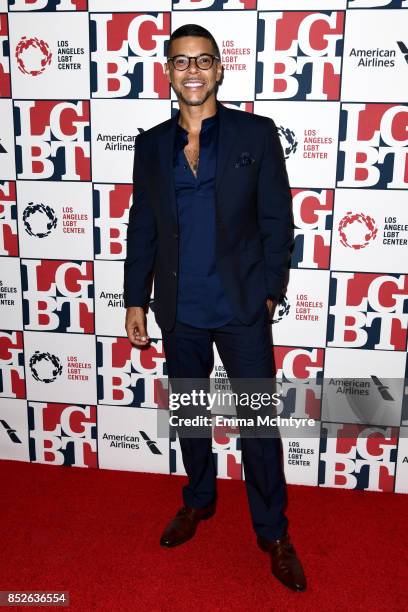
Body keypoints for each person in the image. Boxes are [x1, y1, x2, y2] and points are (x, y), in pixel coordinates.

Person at [124, 23, 306, 592]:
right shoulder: (151, 144)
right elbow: (143, 225)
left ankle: (273, 533)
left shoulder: (256, 134)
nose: (193, 71)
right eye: (182, 62)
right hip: (179, 309)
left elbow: (279, 219)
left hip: (242, 306)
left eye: (204, 60)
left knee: (257, 425)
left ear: (219, 69)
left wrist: (270, 291)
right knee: (191, 417)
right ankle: (198, 501)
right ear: (169, 71)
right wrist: (135, 297)